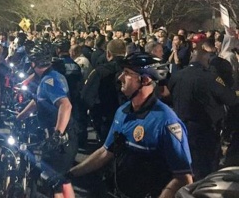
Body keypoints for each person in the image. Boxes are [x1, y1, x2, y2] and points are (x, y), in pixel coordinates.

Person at [69, 53, 193, 198]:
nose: (120, 77)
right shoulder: (122, 111)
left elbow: (183, 177)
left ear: (145, 80)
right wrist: (70, 174)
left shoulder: (166, 121)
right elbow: (105, 152)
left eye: (127, 73)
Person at [17, 40, 77, 198]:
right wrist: (19, 116)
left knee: (54, 183)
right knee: (62, 181)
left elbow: (66, 105)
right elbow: (38, 100)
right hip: (63, 137)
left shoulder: (49, 81)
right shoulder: (51, 76)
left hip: (61, 139)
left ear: (34, 62)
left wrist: (57, 135)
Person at [168, 49, 239, 181]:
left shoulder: (177, 75)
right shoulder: (209, 77)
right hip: (204, 130)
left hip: (180, 128)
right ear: (206, 61)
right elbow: (230, 99)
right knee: (205, 168)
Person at [81, 39, 126, 142]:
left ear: (108, 53)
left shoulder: (99, 72)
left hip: (106, 118)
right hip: (128, 118)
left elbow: (86, 96)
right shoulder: (132, 70)